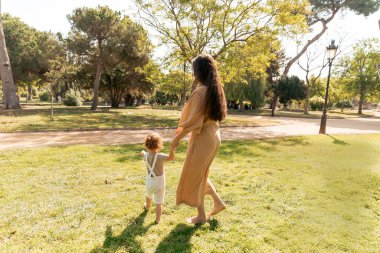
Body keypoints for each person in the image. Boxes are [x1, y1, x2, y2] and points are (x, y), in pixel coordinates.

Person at [171, 53, 227, 224]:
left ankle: (201, 216)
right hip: (214, 136)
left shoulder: (201, 92)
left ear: (199, 71)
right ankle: (217, 203)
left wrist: (177, 138)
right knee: (200, 174)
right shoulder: (214, 90)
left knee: (194, 175)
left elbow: (194, 121)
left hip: (203, 137)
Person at [141, 132, 174, 224]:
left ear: (146, 145)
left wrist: (143, 152)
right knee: (158, 203)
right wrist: (172, 148)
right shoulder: (161, 156)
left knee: (148, 195)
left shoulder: (146, 155)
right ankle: (157, 220)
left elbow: (143, 153)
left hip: (149, 181)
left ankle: (147, 206)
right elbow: (171, 158)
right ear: (159, 145)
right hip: (160, 182)